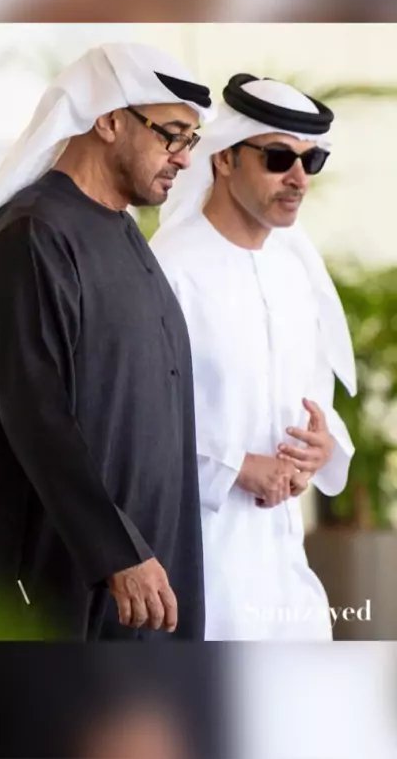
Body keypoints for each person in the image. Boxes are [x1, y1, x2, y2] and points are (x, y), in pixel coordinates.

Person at [0, 42, 214, 641]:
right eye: (171, 135)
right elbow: (36, 414)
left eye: (191, 140)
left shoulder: (125, 234)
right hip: (56, 582)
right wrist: (115, 551)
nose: (185, 158)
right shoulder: (34, 233)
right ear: (109, 119)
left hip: (139, 578)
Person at [151, 73, 357, 640]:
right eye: (278, 158)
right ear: (224, 159)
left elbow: (315, 397)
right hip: (199, 561)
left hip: (284, 560)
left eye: (311, 162)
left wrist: (322, 448)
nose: (298, 179)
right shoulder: (169, 269)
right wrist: (236, 467)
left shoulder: (293, 271)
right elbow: (136, 423)